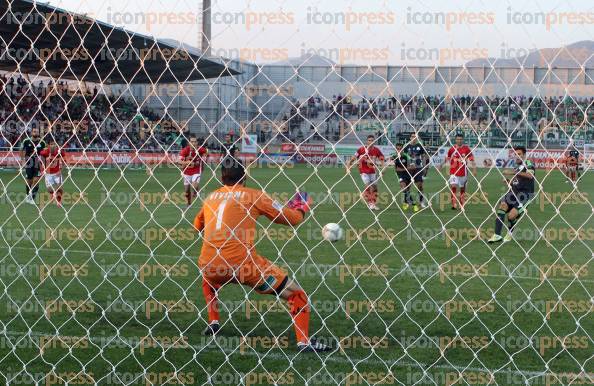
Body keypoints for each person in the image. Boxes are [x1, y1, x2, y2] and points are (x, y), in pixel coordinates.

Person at [194, 158, 331, 352]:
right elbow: (291, 219)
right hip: (245, 267)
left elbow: (197, 225)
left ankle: (213, 322)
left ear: (221, 178)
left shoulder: (211, 197)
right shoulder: (254, 195)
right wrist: (300, 205)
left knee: (209, 279)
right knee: (297, 294)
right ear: (245, 176)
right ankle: (304, 342)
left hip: (210, 265)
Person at [488, 146, 536, 243]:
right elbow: (516, 181)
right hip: (512, 193)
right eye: (515, 154)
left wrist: (513, 172)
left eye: (519, 154)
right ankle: (497, 235)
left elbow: (530, 175)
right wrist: (508, 181)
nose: (517, 156)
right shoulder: (517, 166)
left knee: (511, 216)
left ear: (524, 155)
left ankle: (509, 234)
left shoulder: (528, 163)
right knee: (502, 206)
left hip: (525, 196)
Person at [346, 134, 385, 210]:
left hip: (372, 171)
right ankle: (370, 202)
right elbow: (352, 160)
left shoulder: (376, 150)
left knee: (375, 187)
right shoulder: (361, 150)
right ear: (367, 141)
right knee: (368, 186)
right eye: (369, 140)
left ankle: (373, 203)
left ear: (374, 141)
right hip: (363, 171)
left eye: (372, 140)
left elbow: (382, 159)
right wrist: (348, 168)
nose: (371, 142)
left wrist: (383, 168)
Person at [442, 134, 477, 210]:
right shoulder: (452, 149)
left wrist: (474, 170)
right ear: (455, 140)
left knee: (462, 189)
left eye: (461, 139)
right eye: (458, 139)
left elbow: (472, 159)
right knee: (453, 186)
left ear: (463, 140)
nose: (459, 140)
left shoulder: (466, 149)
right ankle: (454, 204)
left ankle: (461, 204)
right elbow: (447, 158)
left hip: (463, 173)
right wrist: (441, 165)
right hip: (453, 172)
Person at [179, 135, 208, 207]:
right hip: (187, 171)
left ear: (197, 142)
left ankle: (195, 191)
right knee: (186, 190)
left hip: (197, 170)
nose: (194, 143)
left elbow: (207, 154)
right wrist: (187, 163)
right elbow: (179, 161)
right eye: (192, 141)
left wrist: (204, 160)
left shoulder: (201, 149)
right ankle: (188, 203)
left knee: (194, 185)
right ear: (189, 142)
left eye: (195, 141)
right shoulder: (185, 150)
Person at [403, 133, 429, 210]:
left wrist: (424, 166)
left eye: (415, 137)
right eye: (412, 136)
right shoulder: (406, 146)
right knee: (407, 186)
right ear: (410, 138)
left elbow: (424, 156)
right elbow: (403, 157)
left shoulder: (420, 146)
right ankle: (407, 201)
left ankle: (421, 202)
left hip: (418, 168)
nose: (414, 138)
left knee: (420, 185)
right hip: (409, 169)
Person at [20, 127, 46, 205]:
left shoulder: (42, 142)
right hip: (29, 163)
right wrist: (22, 161)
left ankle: (32, 198)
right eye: (34, 131)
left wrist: (44, 164)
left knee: (36, 180)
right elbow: (21, 150)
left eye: (37, 132)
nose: (35, 133)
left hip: (37, 163)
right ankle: (28, 195)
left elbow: (45, 153)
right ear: (31, 133)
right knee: (29, 181)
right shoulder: (26, 141)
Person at [39, 137, 66, 207]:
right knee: (49, 189)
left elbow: (64, 162)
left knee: (60, 188)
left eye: (54, 144)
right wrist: (42, 170)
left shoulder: (60, 152)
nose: (53, 146)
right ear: (48, 145)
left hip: (57, 173)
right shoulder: (44, 152)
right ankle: (53, 194)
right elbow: (41, 162)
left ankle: (59, 201)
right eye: (51, 144)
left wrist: (60, 170)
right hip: (48, 174)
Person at [392, 143, 416, 210]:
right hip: (400, 175)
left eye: (400, 149)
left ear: (403, 149)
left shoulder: (407, 156)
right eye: (397, 149)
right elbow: (395, 168)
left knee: (407, 190)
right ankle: (414, 204)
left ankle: (406, 203)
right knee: (404, 188)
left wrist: (403, 169)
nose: (399, 150)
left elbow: (413, 167)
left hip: (408, 174)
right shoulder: (394, 156)